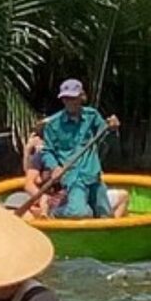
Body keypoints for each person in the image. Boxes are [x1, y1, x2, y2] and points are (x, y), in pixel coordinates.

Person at [37, 79, 120, 219]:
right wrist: (55, 167)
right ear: (62, 99)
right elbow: (47, 151)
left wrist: (112, 128)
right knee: (80, 213)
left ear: (81, 97)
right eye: (66, 98)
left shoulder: (92, 116)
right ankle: (55, 213)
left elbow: (106, 138)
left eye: (73, 98)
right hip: (72, 177)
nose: (70, 102)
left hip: (93, 174)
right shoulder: (53, 124)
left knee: (106, 215)